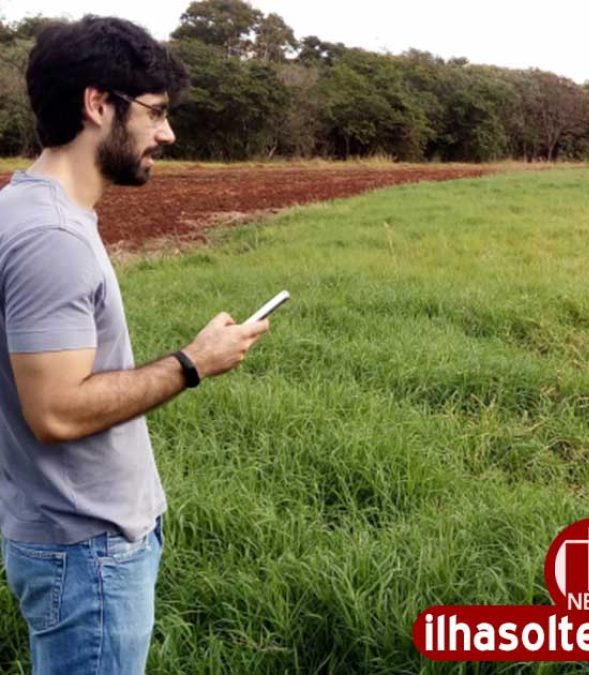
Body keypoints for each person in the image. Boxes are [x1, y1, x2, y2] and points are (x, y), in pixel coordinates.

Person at [1, 16, 269, 674]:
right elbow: (57, 410)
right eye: (155, 113)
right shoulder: (52, 238)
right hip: (85, 548)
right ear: (98, 104)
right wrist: (192, 363)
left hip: (71, 536)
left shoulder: (25, 207)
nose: (166, 133)